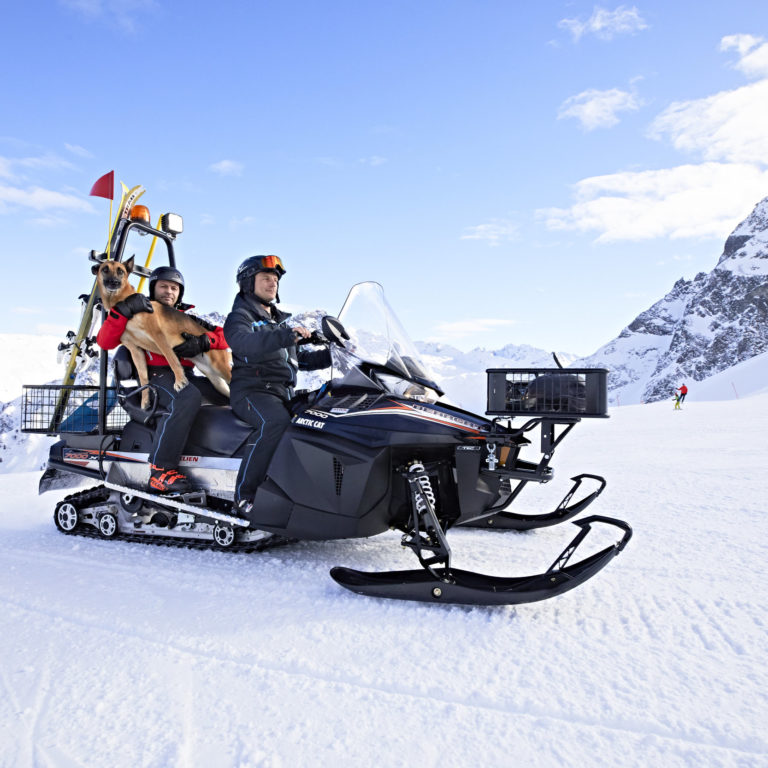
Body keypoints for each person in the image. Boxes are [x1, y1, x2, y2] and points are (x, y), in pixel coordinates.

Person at [96, 265, 229, 493]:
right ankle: (160, 469)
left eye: (174, 288)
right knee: (186, 397)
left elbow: (224, 335)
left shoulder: (183, 317)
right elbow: (105, 341)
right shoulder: (138, 313)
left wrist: (206, 342)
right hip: (158, 376)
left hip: (187, 375)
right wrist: (124, 310)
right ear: (153, 288)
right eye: (164, 286)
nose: (169, 292)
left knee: (229, 396)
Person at [223, 255, 331, 511]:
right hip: (251, 392)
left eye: (275, 280)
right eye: (266, 279)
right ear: (249, 283)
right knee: (274, 423)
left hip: (281, 393)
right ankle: (245, 496)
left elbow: (296, 360)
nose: (273, 284)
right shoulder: (240, 317)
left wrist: (330, 354)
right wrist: (285, 336)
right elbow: (244, 343)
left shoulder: (277, 321)